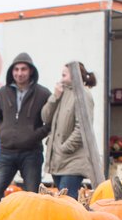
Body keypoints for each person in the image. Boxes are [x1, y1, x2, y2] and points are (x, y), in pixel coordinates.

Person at [0, 52, 51, 201]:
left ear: (31, 71)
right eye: (16, 69)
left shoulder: (43, 93)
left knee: (32, 197)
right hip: (6, 152)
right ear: (11, 72)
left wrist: (34, 135)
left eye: (23, 69)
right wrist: (2, 132)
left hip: (31, 153)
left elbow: (51, 121)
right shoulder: (3, 92)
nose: (19, 73)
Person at [41, 62, 97, 200]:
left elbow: (82, 128)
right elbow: (45, 117)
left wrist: (64, 148)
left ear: (75, 75)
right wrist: (55, 97)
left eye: (64, 75)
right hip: (59, 161)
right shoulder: (62, 93)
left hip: (72, 160)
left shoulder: (83, 94)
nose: (61, 78)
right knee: (62, 200)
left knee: (68, 200)